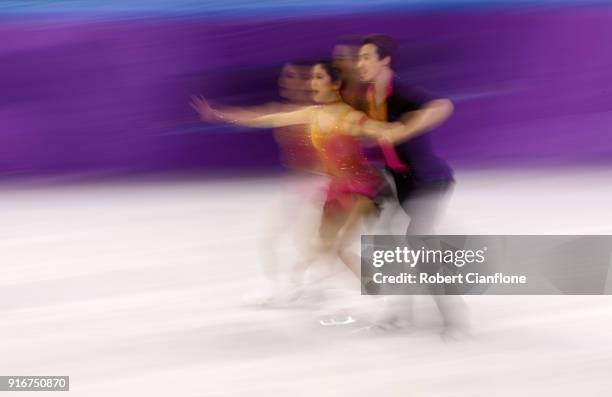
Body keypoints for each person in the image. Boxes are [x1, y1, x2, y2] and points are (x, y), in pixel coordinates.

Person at [191, 61, 419, 296]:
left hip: (364, 188)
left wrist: (409, 126)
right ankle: (380, 289)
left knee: (342, 245)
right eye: (312, 77)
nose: (313, 82)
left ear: (336, 84)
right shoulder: (313, 114)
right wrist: (219, 114)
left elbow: (385, 130)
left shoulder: (350, 118)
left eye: (319, 77)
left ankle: (390, 291)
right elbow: (268, 118)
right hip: (338, 188)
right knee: (324, 247)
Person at [356, 34, 469, 338]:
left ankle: (455, 321)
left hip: (431, 180)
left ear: (385, 60)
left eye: (367, 57)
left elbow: (442, 106)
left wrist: (404, 129)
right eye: (359, 58)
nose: (360, 63)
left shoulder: (401, 93)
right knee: (385, 240)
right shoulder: (368, 98)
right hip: (401, 182)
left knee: (418, 242)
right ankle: (400, 312)